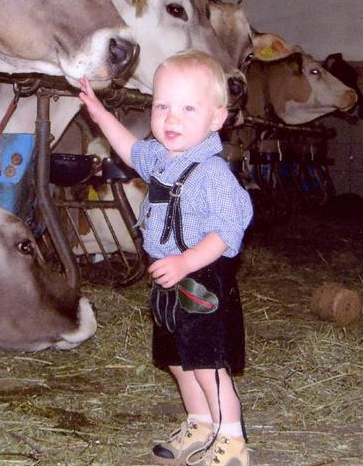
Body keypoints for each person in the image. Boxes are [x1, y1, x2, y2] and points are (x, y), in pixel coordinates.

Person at [78, 49, 253, 466]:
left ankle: (231, 438)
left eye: (188, 108)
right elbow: (130, 149)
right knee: (177, 359)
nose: (172, 118)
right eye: (162, 106)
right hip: (168, 278)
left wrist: (186, 262)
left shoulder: (212, 173)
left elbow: (229, 230)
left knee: (207, 363)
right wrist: (100, 114)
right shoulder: (161, 158)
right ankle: (200, 423)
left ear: (216, 118)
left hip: (202, 279)